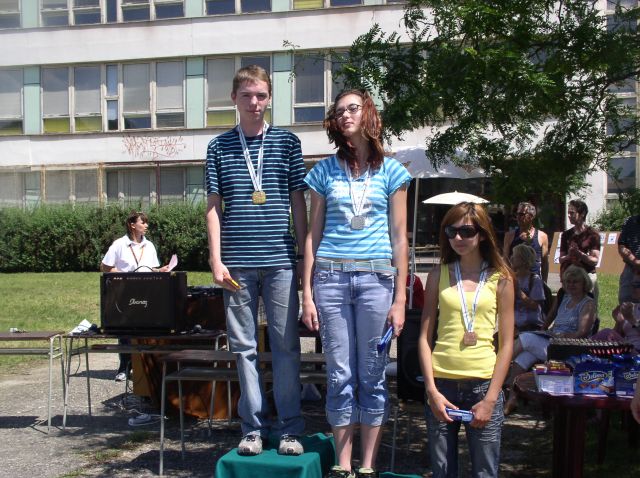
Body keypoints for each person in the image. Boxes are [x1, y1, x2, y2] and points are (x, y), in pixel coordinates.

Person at [301, 89, 411, 478]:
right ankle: (342, 465)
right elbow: (312, 236)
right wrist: (307, 293)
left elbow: (400, 239)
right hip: (330, 279)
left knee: (372, 374)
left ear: (368, 114)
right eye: (339, 112)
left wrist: (400, 298)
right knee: (339, 376)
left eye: (353, 108)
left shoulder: (394, 171)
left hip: (376, 281)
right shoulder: (322, 171)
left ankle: (367, 466)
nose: (346, 115)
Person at [205, 65, 307, 457]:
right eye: (247, 95)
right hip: (236, 264)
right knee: (243, 348)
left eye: (261, 95)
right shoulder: (218, 146)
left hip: (280, 261)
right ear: (234, 98)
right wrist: (216, 260)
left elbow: (298, 201)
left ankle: (290, 429)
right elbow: (213, 208)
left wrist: (303, 255)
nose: (254, 103)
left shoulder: (287, 142)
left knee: (286, 347)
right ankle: (252, 430)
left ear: (269, 98)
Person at [418, 202, 515, 478]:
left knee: (485, 472)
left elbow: (507, 344)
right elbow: (424, 338)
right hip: (442, 386)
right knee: (443, 472)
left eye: (467, 231)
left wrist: (491, 399)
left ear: (482, 234)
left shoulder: (501, 278)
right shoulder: (438, 275)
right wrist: (431, 391)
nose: (458, 238)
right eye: (451, 231)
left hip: (482, 386)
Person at [504, 265, 596, 415]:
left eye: (575, 282)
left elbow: (582, 332)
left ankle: (495, 374)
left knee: (525, 339)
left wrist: (562, 336)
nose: (571, 285)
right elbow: (552, 319)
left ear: (584, 283)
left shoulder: (588, 303)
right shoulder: (565, 298)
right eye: (568, 281)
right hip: (552, 341)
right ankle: (512, 398)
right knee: (523, 358)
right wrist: (547, 332)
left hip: (569, 349)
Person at [101, 210, 169, 381]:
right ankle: (124, 367)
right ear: (132, 225)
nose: (146, 225)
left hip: (146, 291)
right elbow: (105, 267)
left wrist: (160, 270)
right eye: (142, 222)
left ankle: (144, 368)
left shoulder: (149, 245)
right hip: (124, 292)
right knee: (125, 330)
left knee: (145, 328)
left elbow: (151, 268)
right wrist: (126, 275)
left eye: (146, 222)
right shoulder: (119, 244)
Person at [559, 199, 600, 305]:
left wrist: (580, 254)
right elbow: (561, 259)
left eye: (572, 213)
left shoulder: (592, 234)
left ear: (582, 214)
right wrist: (569, 255)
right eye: (568, 213)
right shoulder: (566, 235)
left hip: (587, 278)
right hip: (570, 279)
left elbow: (594, 260)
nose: (569, 215)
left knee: (588, 307)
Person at [591, 271, 640, 353]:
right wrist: (619, 322)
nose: (632, 288)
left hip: (637, 353)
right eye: (632, 284)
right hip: (627, 350)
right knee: (606, 337)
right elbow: (615, 336)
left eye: (637, 285)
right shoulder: (633, 308)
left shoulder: (631, 313)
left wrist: (631, 319)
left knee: (606, 333)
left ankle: (580, 350)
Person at [503, 201, 549, 282]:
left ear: (531, 216)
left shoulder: (542, 236)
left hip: (534, 281)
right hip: (515, 281)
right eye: (517, 214)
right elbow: (505, 260)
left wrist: (544, 282)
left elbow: (545, 262)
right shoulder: (509, 236)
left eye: (522, 214)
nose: (518, 217)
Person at [511, 243, 545, 334]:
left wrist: (518, 290)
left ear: (523, 260)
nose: (512, 258)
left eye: (515, 256)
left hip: (531, 327)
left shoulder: (534, 280)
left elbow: (534, 305)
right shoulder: (511, 278)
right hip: (514, 326)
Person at [617, 213, 640, 303]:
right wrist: (635, 262)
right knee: (625, 302)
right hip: (630, 269)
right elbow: (621, 246)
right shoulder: (630, 221)